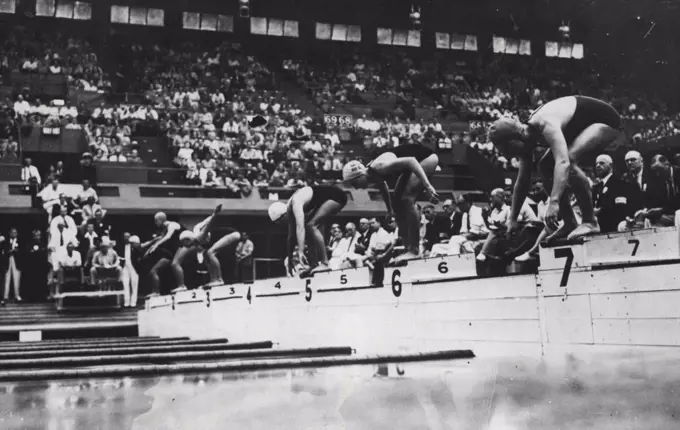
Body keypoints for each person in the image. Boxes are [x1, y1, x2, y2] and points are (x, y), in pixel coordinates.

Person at [489, 96, 623, 242]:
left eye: (510, 151)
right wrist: (512, 219)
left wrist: (554, 203)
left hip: (606, 120)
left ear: (516, 140)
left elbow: (563, 163)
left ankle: (590, 221)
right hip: (580, 124)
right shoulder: (524, 139)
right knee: (544, 167)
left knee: (570, 161)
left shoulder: (545, 122)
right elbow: (522, 182)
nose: (513, 156)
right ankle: (570, 222)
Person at [342, 144, 440, 262]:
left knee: (407, 199)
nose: (356, 188)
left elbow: (411, 161)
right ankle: (407, 247)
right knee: (397, 203)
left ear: (358, 176)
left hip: (425, 158)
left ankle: (414, 250)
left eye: (354, 184)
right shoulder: (372, 174)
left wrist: (428, 186)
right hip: (412, 164)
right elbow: (383, 187)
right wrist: (390, 210)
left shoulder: (379, 167)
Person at [268, 185, 348, 275]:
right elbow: (291, 237)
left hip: (337, 196)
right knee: (309, 228)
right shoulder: (289, 211)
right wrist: (290, 259)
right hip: (326, 199)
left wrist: (301, 251)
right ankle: (314, 265)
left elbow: (300, 228)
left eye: (281, 222)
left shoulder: (295, 204)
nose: (283, 225)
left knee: (311, 225)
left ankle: (325, 263)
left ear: (283, 215)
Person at [171, 204, 241, 292]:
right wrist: (213, 214)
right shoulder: (195, 229)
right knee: (206, 255)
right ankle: (213, 279)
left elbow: (208, 226)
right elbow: (206, 221)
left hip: (232, 234)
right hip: (229, 234)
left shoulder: (199, 238)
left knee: (210, 253)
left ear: (188, 240)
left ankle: (219, 279)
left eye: (184, 244)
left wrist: (215, 213)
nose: (184, 246)